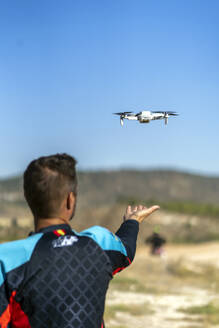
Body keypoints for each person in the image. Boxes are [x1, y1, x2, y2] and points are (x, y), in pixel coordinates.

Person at [0, 153, 159, 328]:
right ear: (70, 199)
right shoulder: (98, 244)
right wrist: (132, 221)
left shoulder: (7, 260)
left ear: (28, 198)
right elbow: (126, 249)